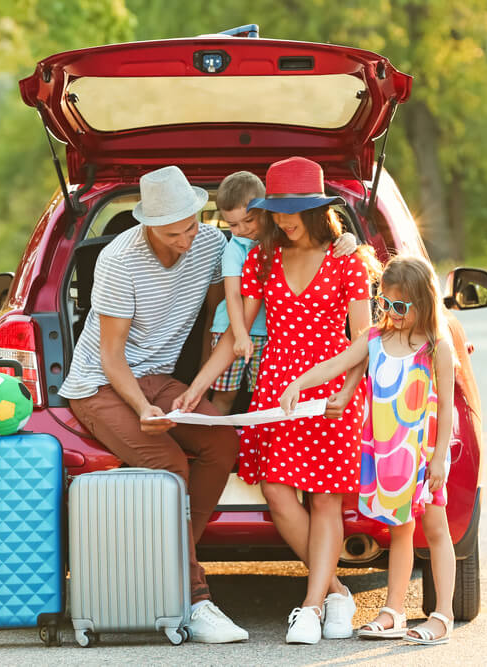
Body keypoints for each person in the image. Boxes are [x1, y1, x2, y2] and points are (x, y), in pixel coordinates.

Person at [175, 156, 379, 644]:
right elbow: (234, 336)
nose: (284, 220)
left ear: (317, 209)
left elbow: (362, 340)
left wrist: (327, 384)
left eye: (294, 210)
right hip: (276, 396)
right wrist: (197, 388)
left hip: (327, 395)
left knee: (326, 501)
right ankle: (334, 591)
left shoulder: (346, 261)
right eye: (278, 210)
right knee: (279, 494)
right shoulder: (262, 258)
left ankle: (309, 607)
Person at [57, 165, 248, 643]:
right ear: (146, 226)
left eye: (191, 225)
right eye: (173, 233)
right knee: (168, 465)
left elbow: (218, 320)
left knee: (221, 442)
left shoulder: (209, 244)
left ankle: (169, 565)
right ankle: (195, 598)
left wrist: (201, 389)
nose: (186, 239)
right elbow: (110, 356)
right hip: (98, 385)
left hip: (161, 378)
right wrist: (143, 408)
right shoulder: (119, 261)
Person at [279, 255, 458, 646]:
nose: (391, 314)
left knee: (436, 527)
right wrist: (298, 384)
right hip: (388, 454)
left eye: (400, 307)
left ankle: (443, 614)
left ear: (423, 303)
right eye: (385, 305)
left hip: (423, 452)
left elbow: (446, 406)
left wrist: (440, 456)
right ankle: (393, 610)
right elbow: (336, 364)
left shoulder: (435, 348)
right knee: (400, 529)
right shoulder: (376, 340)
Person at [209, 171, 358, 414]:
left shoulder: (286, 238)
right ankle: (220, 439)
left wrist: (349, 239)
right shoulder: (240, 250)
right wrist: (239, 334)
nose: (241, 230)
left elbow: (326, 241)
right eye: (232, 225)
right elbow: (234, 295)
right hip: (240, 331)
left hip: (272, 339)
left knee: (262, 395)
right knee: (230, 395)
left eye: (248, 221)